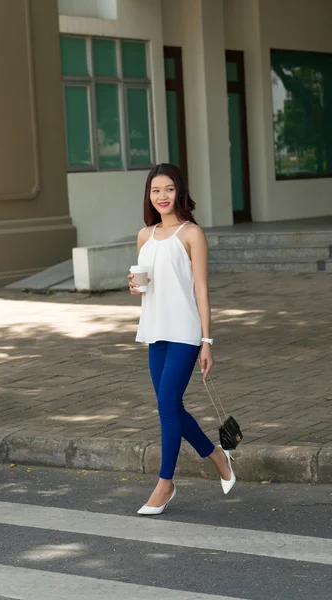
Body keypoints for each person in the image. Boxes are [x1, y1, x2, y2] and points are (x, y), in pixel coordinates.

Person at [128, 163, 236, 516]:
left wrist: (207, 341)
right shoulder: (145, 235)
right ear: (149, 194)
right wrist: (133, 287)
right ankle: (217, 456)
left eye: (169, 190)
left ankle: (165, 483)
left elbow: (201, 289)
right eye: (156, 190)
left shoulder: (192, 234)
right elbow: (147, 283)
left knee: (167, 407)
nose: (162, 197)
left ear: (180, 192)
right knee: (169, 407)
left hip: (186, 333)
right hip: (155, 329)